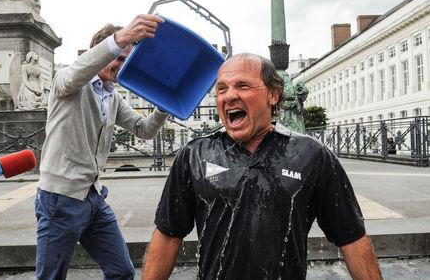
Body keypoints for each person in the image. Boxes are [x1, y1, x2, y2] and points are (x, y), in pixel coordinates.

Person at [142, 53, 382, 280]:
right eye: (221, 89)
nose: (228, 96)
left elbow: (352, 237)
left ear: (274, 95)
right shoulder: (195, 154)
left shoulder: (311, 154)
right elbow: (168, 235)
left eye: (243, 86)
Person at [36, 14, 168, 280]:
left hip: (94, 197)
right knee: (51, 277)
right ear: (100, 53)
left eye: (126, 60)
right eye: (119, 57)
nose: (121, 65)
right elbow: (76, 74)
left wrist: (164, 105)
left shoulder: (112, 95)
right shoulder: (69, 82)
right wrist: (121, 39)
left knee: (122, 271)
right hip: (60, 199)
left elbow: (144, 130)